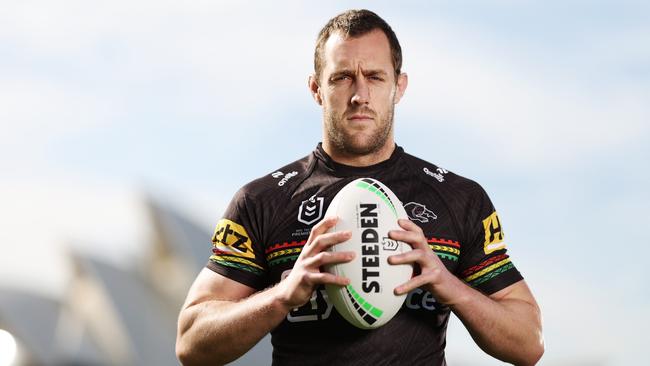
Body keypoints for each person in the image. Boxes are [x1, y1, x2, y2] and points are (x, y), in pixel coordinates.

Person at [176, 9, 544, 366]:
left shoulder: (458, 198)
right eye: (342, 78)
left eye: (375, 76)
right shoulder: (263, 200)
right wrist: (284, 296)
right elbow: (191, 342)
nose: (360, 95)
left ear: (399, 87)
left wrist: (449, 284)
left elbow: (529, 343)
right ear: (316, 88)